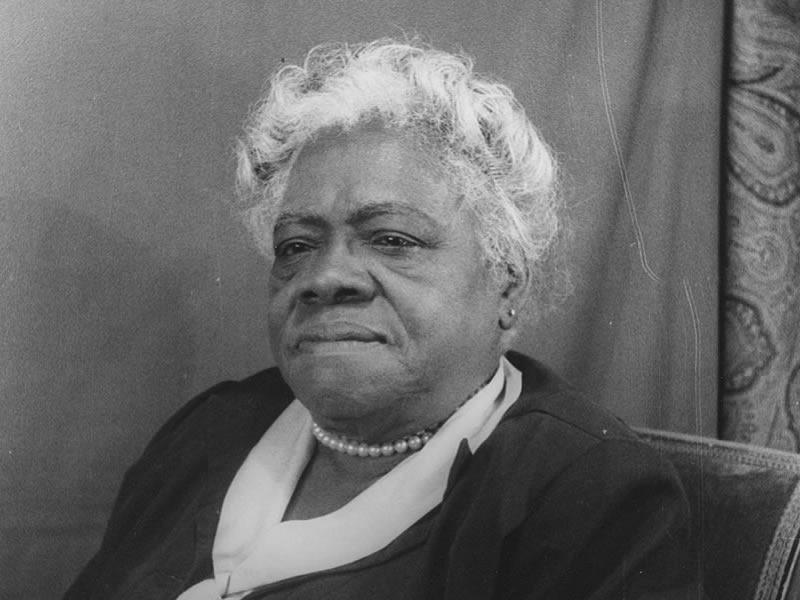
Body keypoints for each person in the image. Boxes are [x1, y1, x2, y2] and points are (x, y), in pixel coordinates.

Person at [64, 39, 697, 599]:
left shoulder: (587, 493)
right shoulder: (209, 433)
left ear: (508, 283)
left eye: (392, 239)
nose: (324, 277)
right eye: (297, 245)